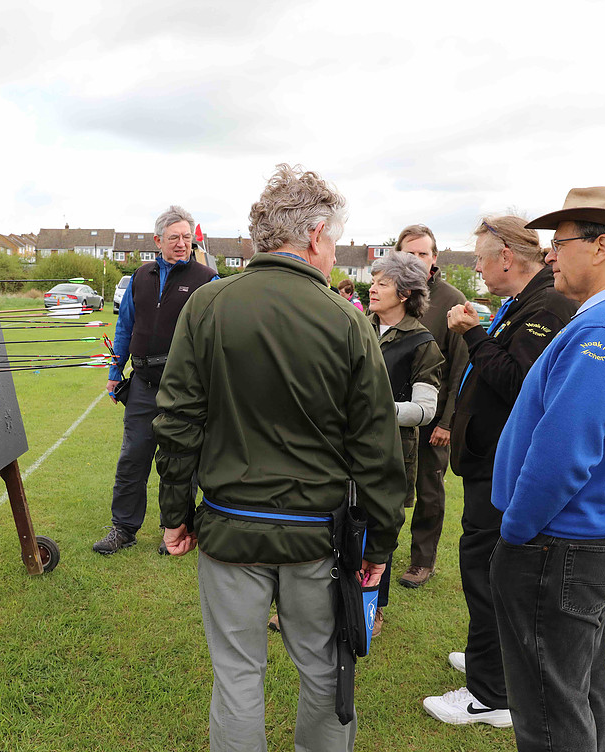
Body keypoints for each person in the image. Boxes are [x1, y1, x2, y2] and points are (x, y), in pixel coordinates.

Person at [153, 164, 406, 752]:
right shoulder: (345, 319)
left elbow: (177, 422)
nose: (334, 254)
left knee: (238, 675)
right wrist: (381, 543)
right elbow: (376, 447)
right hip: (307, 536)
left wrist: (175, 512)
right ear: (315, 236)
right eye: (334, 242)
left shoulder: (209, 304)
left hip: (248, 528)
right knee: (322, 671)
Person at [489, 188, 605, 751]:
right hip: (584, 536)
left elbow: (565, 452)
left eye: (558, 242)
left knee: (550, 712)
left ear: (600, 247)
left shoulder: (604, 329)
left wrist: (517, 531)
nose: (548, 254)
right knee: (578, 691)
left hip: (558, 541)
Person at [421, 215, 576, 728]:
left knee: (488, 572)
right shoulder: (526, 301)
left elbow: (517, 382)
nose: (477, 268)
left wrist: (473, 333)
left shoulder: (546, 304)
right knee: (489, 569)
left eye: (481, 258)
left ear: (506, 257)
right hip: (493, 461)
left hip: (504, 466)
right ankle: (490, 662)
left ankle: (490, 696)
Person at [94, 206, 217, 554]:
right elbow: (124, 328)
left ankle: (175, 529)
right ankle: (123, 528)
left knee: (179, 462)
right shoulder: (139, 277)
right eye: (174, 237)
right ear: (157, 240)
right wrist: (115, 374)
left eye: (187, 237)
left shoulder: (208, 280)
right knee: (132, 458)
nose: (182, 243)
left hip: (185, 390)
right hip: (143, 385)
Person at [365, 252, 443, 633]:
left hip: (391, 452)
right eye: (372, 280)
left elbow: (425, 410)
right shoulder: (356, 326)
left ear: (405, 293)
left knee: (380, 531)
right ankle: (316, 605)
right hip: (344, 447)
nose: (372, 288)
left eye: (382, 283)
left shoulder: (422, 342)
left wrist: (375, 411)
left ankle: (372, 610)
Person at [394, 224, 467, 588]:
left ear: (434, 258)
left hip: (432, 419)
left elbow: (460, 369)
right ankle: (376, 549)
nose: (416, 259)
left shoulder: (452, 300)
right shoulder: (392, 293)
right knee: (385, 485)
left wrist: (448, 422)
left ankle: (423, 560)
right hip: (392, 415)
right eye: (409, 253)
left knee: (429, 490)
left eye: (423, 253)